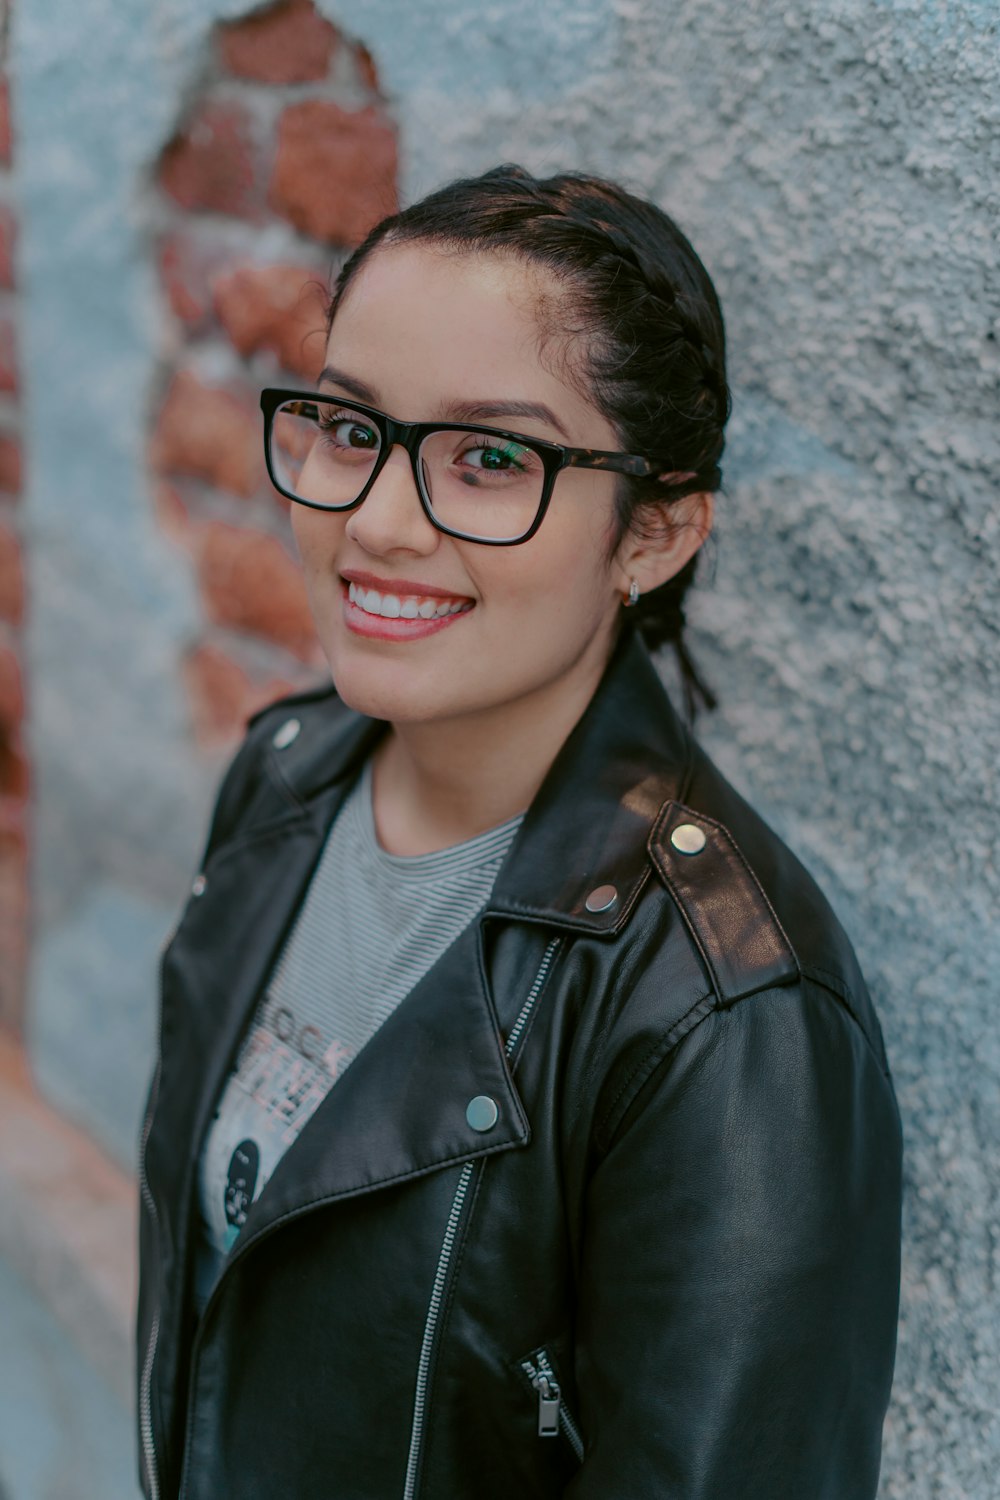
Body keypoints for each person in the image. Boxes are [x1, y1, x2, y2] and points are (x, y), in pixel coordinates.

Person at [136, 164, 902, 1500]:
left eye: (492, 459)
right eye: (351, 428)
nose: (375, 521)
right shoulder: (286, 776)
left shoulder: (725, 1015)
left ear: (652, 532)